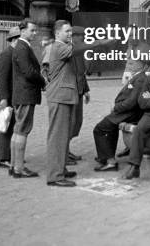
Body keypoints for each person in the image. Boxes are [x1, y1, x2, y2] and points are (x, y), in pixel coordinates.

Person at [42, 20, 78, 187]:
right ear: (57, 33)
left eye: (71, 31)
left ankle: (60, 169)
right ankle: (55, 176)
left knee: (63, 136)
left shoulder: (57, 47)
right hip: (60, 97)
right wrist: (105, 40)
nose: (70, 34)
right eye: (67, 31)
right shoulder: (58, 47)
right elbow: (81, 48)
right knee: (57, 137)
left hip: (63, 96)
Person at [10, 19, 45, 178]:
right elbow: (29, 72)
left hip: (21, 93)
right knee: (23, 130)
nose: (35, 33)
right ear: (22, 31)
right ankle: (19, 168)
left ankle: (13, 165)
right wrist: (43, 81)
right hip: (26, 94)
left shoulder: (21, 46)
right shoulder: (23, 47)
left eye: (35, 30)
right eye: (32, 30)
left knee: (18, 130)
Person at [93, 68, 147, 172]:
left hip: (128, 112)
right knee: (110, 128)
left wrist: (116, 107)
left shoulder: (142, 78)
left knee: (100, 129)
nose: (129, 64)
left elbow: (132, 102)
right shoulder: (140, 75)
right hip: (127, 111)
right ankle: (106, 156)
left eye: (131, 61)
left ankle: (110, 162)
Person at [0, 26, 20, 169]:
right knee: (6, 127)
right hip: (9, 97)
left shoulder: (16, 53)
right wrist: (3, 98)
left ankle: (13, 156)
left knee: (15, 127)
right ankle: (4, 158)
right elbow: (1, 78)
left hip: (16, 96)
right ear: (14, 39)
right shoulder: (6, 54)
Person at [67, 26, 90, 164]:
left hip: (79, 91)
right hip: (71, 92)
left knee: (77, 122)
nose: (83, 38)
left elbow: (82, 73)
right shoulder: (69, 50)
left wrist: (86, 90)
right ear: (73, 36)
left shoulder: (80, 50)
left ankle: (67, 150)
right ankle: (63, 154)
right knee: (70, 123)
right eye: (80, 35)